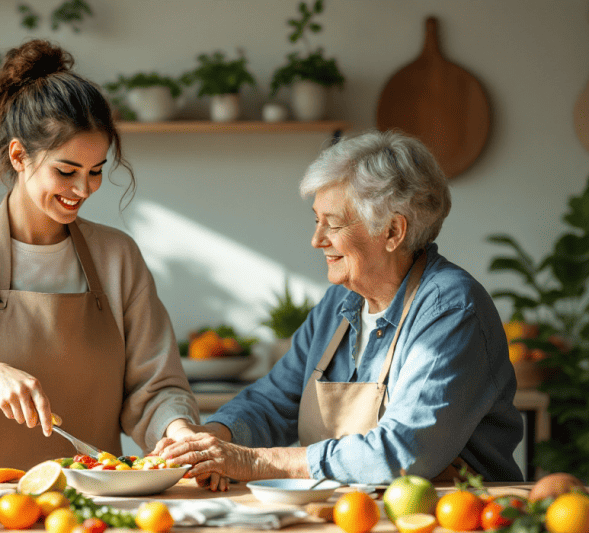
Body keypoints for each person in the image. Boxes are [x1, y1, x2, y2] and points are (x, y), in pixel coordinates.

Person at [0, 39, 199, 470]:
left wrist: (180, 433)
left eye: (95, 172)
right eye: (66, 171)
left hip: (95, 512)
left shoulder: (117, 258)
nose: (83, 190)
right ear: (19, 155)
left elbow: (156, 389)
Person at [155, 130, 524, 489]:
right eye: (316, 220)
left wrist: (252, 461)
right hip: (351, 517)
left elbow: (403, 452)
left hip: (448, 524)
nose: (316, 240)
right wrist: (209, 440)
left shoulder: (450, 310)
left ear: (393, 232)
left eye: (331, 223)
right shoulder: (339, 305)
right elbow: (276, 400)